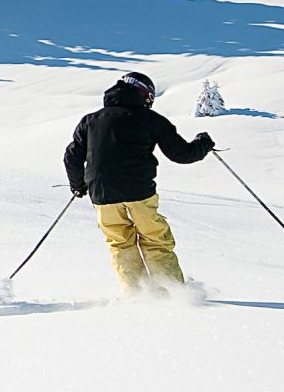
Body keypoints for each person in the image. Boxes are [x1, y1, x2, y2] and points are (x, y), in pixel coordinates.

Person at [63, 71, 215, 294]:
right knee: (155, 239)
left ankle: (136, 293)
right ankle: (172, 292)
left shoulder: (90, 120)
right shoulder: (151, 120)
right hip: (138, 190)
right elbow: (181, 154)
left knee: (120, 243)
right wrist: (203, 143)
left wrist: (78, 185)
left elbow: (72, 157)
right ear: (143, 94)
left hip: (102, 194)